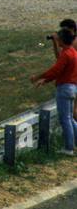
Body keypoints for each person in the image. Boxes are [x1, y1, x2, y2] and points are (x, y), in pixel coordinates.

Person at [32, 26, 77, 154]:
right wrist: (45, 80)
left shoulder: (66, 54)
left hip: (64, 88)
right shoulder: (73, 52)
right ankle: (74, 144)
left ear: (62, 40)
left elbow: (56, 70)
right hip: (73, 88)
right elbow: (60, 71)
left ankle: (69, 148)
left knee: (65, 119)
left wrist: (39, 77)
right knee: (71, 119)